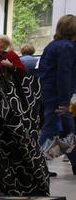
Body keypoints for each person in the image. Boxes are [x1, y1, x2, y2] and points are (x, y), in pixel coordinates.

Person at [37, 15, 76, 170]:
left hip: (48, 93)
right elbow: (64, 74)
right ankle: (32, 163)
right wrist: (65, 102)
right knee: (52, 129)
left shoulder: (52, 45)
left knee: (68, 130)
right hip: (58, 97)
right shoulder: (68, 47)